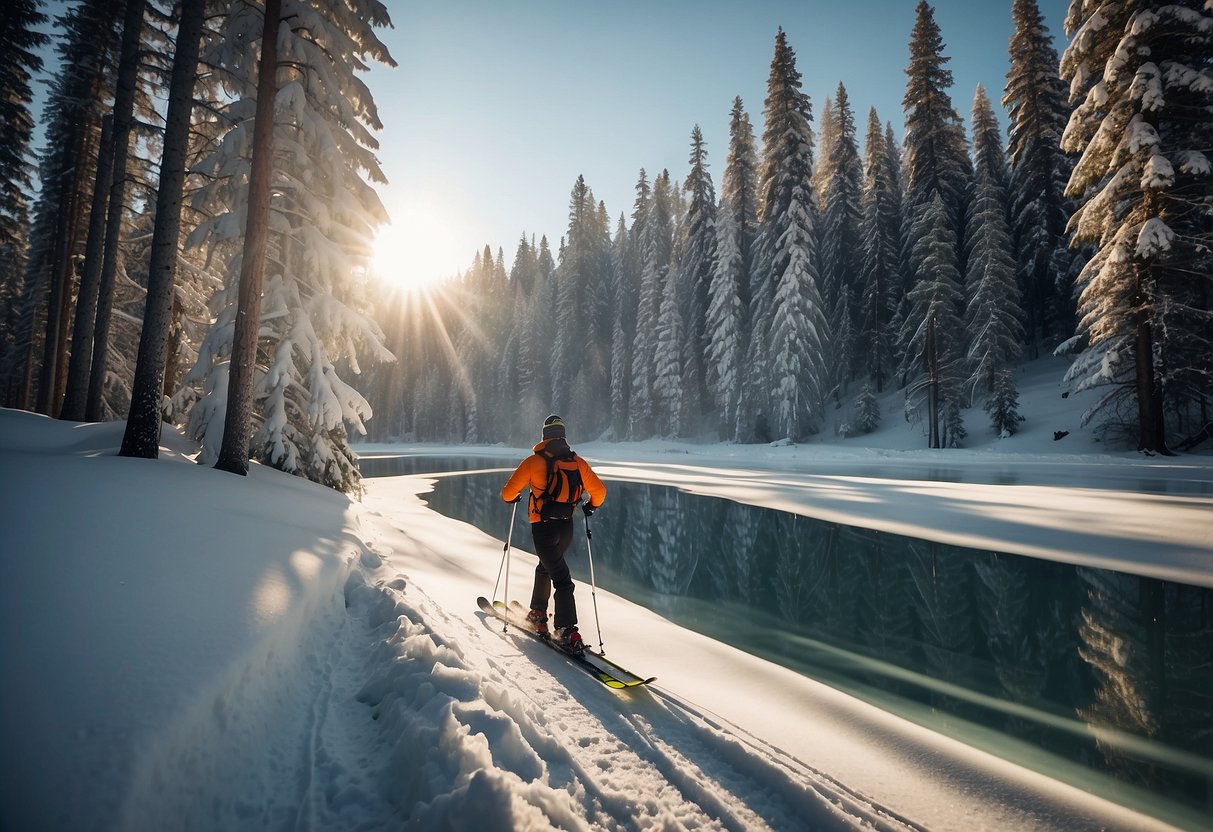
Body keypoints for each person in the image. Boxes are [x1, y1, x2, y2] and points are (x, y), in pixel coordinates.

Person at [501, 415, 606, 651]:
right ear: (563, 437)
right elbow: (599, 492)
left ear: (544, 437)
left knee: (562, 579)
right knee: (547, 566)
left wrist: (517, 496)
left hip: (543, 528)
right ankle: (538, 613)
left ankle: (567, 630)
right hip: (566, 527)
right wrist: (590, 506)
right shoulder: (577, 462)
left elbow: (507, 494)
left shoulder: (534, 462)